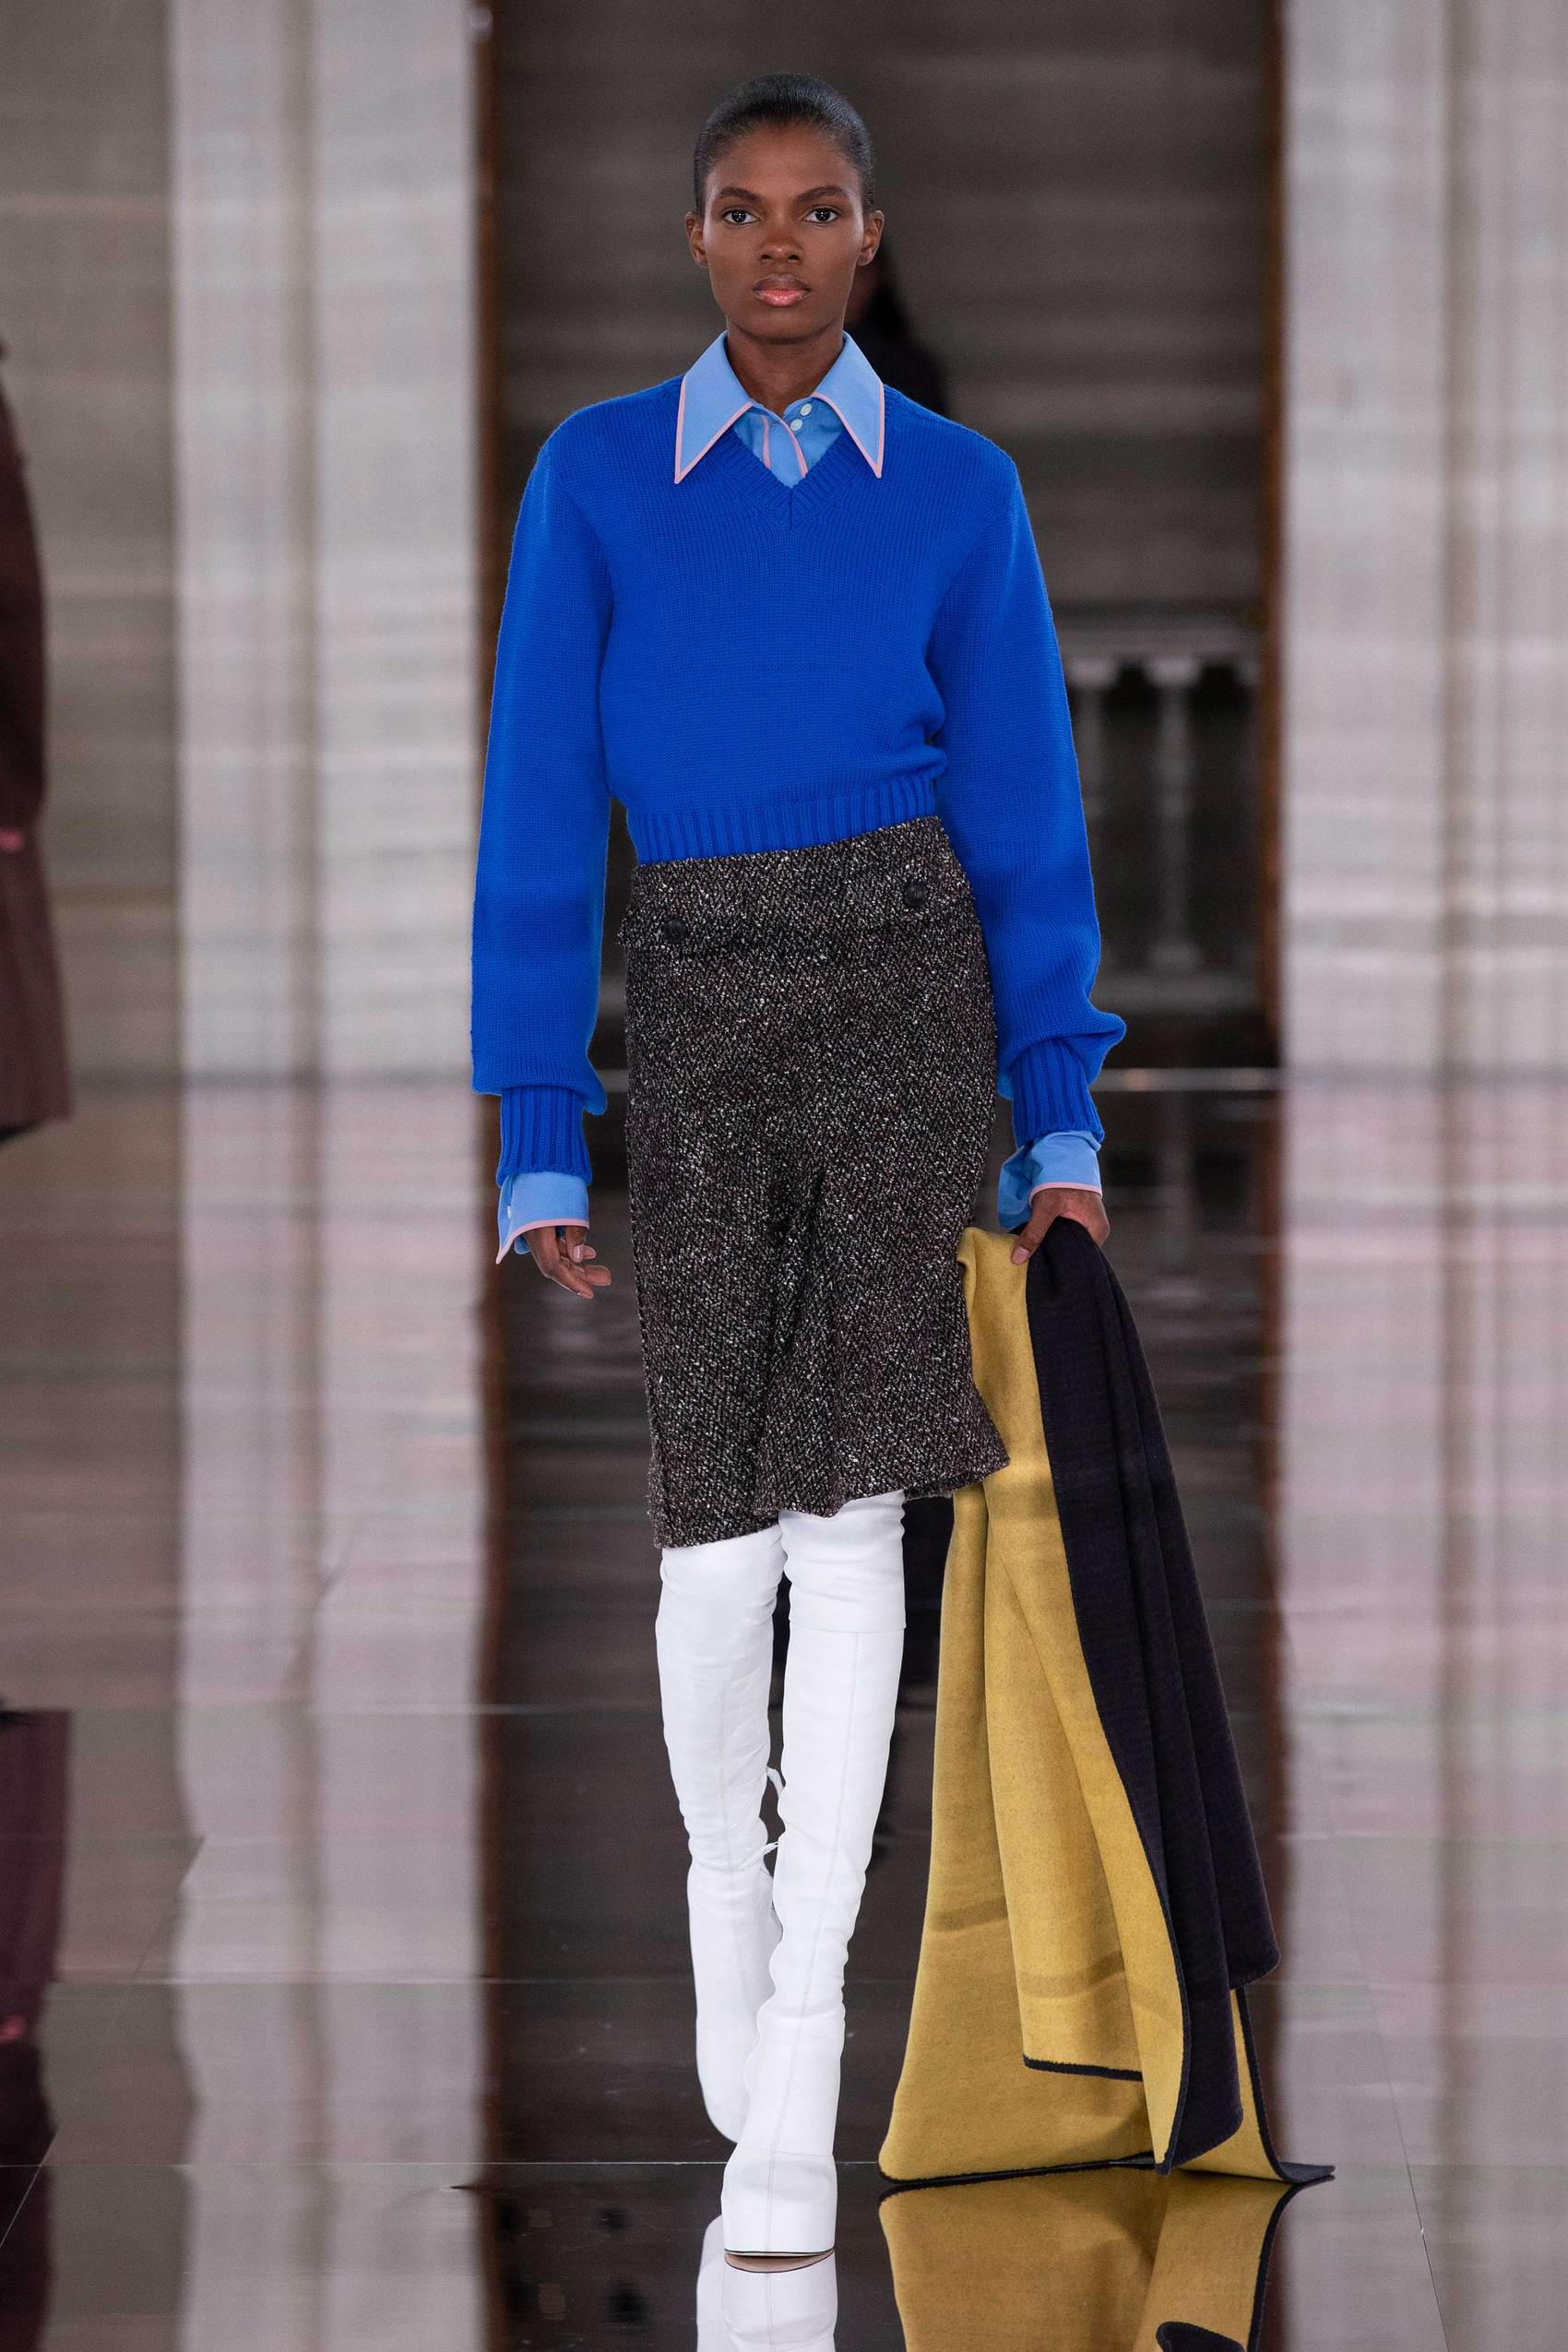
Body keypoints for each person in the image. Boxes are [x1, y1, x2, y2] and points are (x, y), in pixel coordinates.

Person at [469, 73, 1124, 2270]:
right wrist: (537, 1121)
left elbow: (1025, 816)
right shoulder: (595, 478)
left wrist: (1057, 1114)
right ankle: (722, 1888)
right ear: (696, 240)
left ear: (867, 236)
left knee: (851, 1515)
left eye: (816, 209)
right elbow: (538, 806)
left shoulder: (956, 490)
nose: (778, 243)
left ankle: (814, 2002)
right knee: (708, 1517)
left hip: (903, 995)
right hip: (703, 993)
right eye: (742, 210)